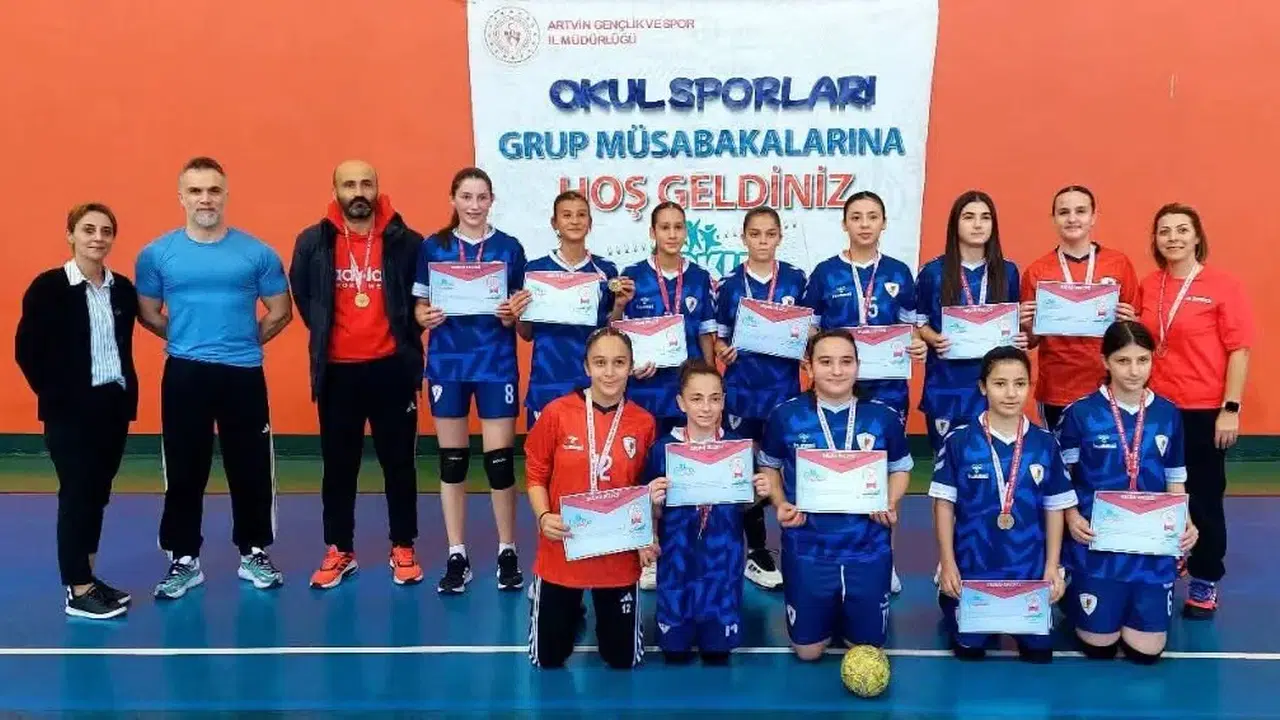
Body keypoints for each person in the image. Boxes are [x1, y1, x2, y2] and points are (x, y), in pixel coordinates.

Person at [136, 157, 293, 599]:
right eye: (196, 191)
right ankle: (184, 558)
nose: (205, 199)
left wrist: (242, 341)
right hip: (185, 372)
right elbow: (148, 312)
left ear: (225, 195)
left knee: (251, 466)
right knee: (185, 467)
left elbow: (281, 310)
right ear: (181, 197)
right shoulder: (157, 254)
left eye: (213, 190)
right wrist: (188, 339)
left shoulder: (256, 253)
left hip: (243, 373)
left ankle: (254, 551)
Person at [290, 160, 426, 588]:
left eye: (366, 183)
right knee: (338, 466)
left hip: (392, 369)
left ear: (377, 188)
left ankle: (403, 545)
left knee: (399, 464)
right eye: (349, 185)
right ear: (336, 191)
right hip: (337, 372)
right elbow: (305, 296)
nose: (359, 192)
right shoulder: (312, 242)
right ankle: (339, 548)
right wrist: (331, 336)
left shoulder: (407, 242)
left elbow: (421, 299)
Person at [757, 329, 913, 660]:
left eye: (846, 361)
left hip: (867, 547)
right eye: (826, 362)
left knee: (866, 651)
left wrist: (890, 501)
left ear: (858, 365)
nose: (837, 371)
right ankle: (828, 612)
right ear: (809, 367)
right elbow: (769, 466)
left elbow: (900, 468)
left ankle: (851, 611)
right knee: (808, 652)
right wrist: (780, 503)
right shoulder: (785, 415)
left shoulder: (883, 416)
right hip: (807, 546)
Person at [16, 203, 138, 619]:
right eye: (88, 229)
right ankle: (77, 588)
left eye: (105, 231)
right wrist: (59, 397)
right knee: (76, 494)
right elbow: (27, 350)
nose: (97, 238)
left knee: (97, 495)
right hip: (70, 412)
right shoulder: (48, 287)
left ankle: (88, 576)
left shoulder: (122, 289)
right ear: (70, 235)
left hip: (113, 408)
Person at [413, 167, 529, 594]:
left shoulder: (509, 248)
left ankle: (507, 550)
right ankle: (456, 553)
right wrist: (423, 316)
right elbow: (419, 307)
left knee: (499, 462)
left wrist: (512, 314)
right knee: (453, 461)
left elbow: (521, 311)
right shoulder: (434, 246)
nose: (474, 205)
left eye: (482, 197)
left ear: (492, 200)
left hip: (495, 363)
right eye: (466, 196)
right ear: (453, 199)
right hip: (448, 363)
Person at [804, 191, 927, 594]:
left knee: (884, 471)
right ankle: (830, 552)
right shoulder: (825, 273)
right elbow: (810, 328)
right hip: (837, 385)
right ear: (844, 224)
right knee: (837, 465)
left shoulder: (898, 273)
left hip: (888, 389)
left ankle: (882, 557)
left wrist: (917, 344)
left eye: (872, 216)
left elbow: (912, 327)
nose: (864, 224)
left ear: (883, 223)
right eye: (856, 217)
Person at [1057, 321, 1200, 662]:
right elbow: (1062, 479)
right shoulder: (1080, 413)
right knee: (1100, 647)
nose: (1134, 371)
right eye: (1123, 361)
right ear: (1105, 361)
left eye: (1142, 360)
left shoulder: (1167, 413)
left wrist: (1186, 521)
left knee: (1147, 652)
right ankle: (1073, 595)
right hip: (1097, 540)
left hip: (1151, 543)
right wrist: (1072, 517)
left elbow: (1174, 477)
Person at [1135, 204, 1252, 619]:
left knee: (1202, 496)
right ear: (1155, 239)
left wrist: (1230, 408)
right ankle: (1168, 557)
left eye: (1182, 230)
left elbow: (1239, 350)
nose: (1173, 238)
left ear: (1197, 236)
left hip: (1203, 410)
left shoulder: (1223, 285)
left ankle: (1204, 578)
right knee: (1156, 491)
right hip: (1156, 409)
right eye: (1164, 231)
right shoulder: (1149, 285)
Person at [929, 347, 1075, 663]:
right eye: (1000, 383)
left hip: (1028, 568)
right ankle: (949, 596)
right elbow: (944, 505)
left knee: (1038, 656)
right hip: (974, 565)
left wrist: (1052, 566)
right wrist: (948, 562)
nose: (1011, 393)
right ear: (983, 387)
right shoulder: (959, 441)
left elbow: (1055, 508)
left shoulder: (1045, 443)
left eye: (1019, 384)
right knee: (970, 652)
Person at [525, 327, 658, 669]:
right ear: (586, 367)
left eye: (619, 362)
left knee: (623, 659)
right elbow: (535, 475)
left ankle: (598, 615)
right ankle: (572, 611)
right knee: (548, 659)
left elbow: (646, 489)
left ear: (631, 367)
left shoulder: (644, 423)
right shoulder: (556, 413)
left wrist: (647, 536)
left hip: (618, 554)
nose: (609, 372)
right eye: (600, 363)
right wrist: (543, 516)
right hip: (563, 549)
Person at [713, 207, 806, 590]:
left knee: (787, 467)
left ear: (780, 237)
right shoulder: (729, 284)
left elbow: (809, 330)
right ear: (744, 238)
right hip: (742, 393)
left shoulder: (796, 279)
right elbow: (719, 337)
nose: (763, 241)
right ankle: (756, 551)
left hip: (784, 391)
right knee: (746, 471)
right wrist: (723, 352)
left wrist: (806, 346)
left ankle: (797, 545)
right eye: (755, 234)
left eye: (770, 234)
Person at [645, 360, 758, 664]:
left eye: (714, 398)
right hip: (677, 558)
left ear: (723, 401)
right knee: (674, 653)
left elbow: (746, 504)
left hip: (723, 558)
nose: (706, 408)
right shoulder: (663, 448)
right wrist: (652, 502)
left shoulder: (738, 448)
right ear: (681, 402)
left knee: (717, 654)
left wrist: (759, 493)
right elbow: (651, 510)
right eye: (696, 399)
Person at [916, 190, 1026, 456]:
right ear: (955, 224)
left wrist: (1022, 336)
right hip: (947, 384)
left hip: (995, 384)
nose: (978, 224)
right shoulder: (933, 272)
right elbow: (919, 323)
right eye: (969, 217)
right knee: (947, 462)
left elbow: (1016, 323)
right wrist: (932, 338)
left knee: (994, 460)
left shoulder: (1008, 271)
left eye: (985, 217)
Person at [1020, 186, 1140, 428]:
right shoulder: (1037, 271)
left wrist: (1131, 322)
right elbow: (1031, 341)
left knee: (1112, 451)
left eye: (1081, 211)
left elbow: (1135, 330)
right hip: (1057, 388)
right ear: (1054, 219)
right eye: (1064, 212)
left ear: (1093, 217)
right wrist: (1027, 325)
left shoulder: (1119, 264)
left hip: (1109, 384)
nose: (1072, 219)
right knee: (1060, 451)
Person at [517, 190, 623, 424]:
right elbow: (526, 333)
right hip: (547, 379)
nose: (575, 221)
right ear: (554, 223)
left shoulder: (606, 270)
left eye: (581, 215)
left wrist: (619, 305)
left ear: (590, 222)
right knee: (545, 446)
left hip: (592, 380)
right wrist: (518, 315)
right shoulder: (535, 270)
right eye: (567, 215)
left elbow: (611, 330)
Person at [619, 202, 717, 434]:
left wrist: (712, 380)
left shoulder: (700, 276)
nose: (672, 235)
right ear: (652, 232)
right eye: (665, 227)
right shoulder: (633, 275)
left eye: (678, 227)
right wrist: (629, 367)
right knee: (644, 449)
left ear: (686, 231)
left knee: (685, 449)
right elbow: (618, 330)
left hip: (688, 386)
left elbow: (705, 333)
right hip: (645, 383)